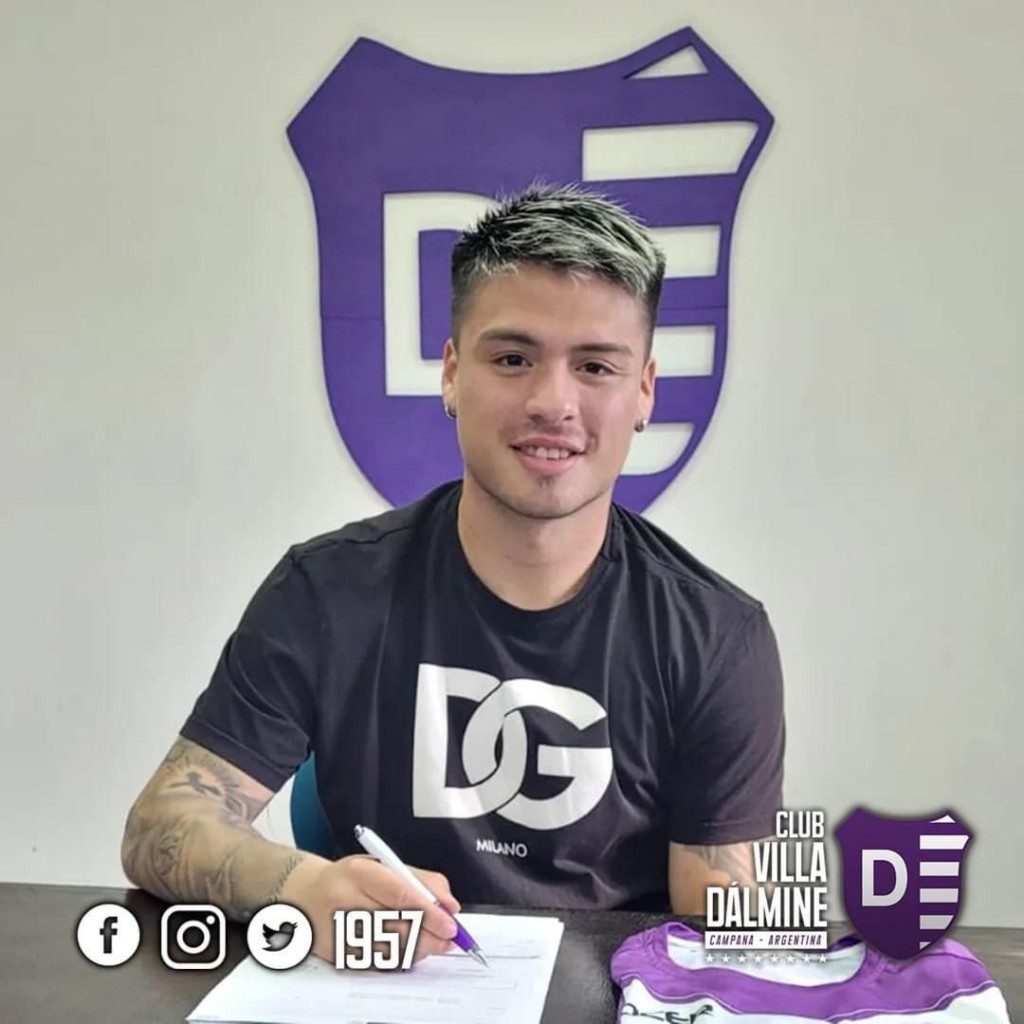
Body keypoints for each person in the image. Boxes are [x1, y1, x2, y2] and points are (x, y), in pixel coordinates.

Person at [121, 183, 785, 966]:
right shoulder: (327, 590)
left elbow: (735, 924)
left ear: (644, 391)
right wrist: (302, 885)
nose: (553, 402)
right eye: (512, 359)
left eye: (595, 366)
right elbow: (160, 826)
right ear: (449, 373)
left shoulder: (720, 637)